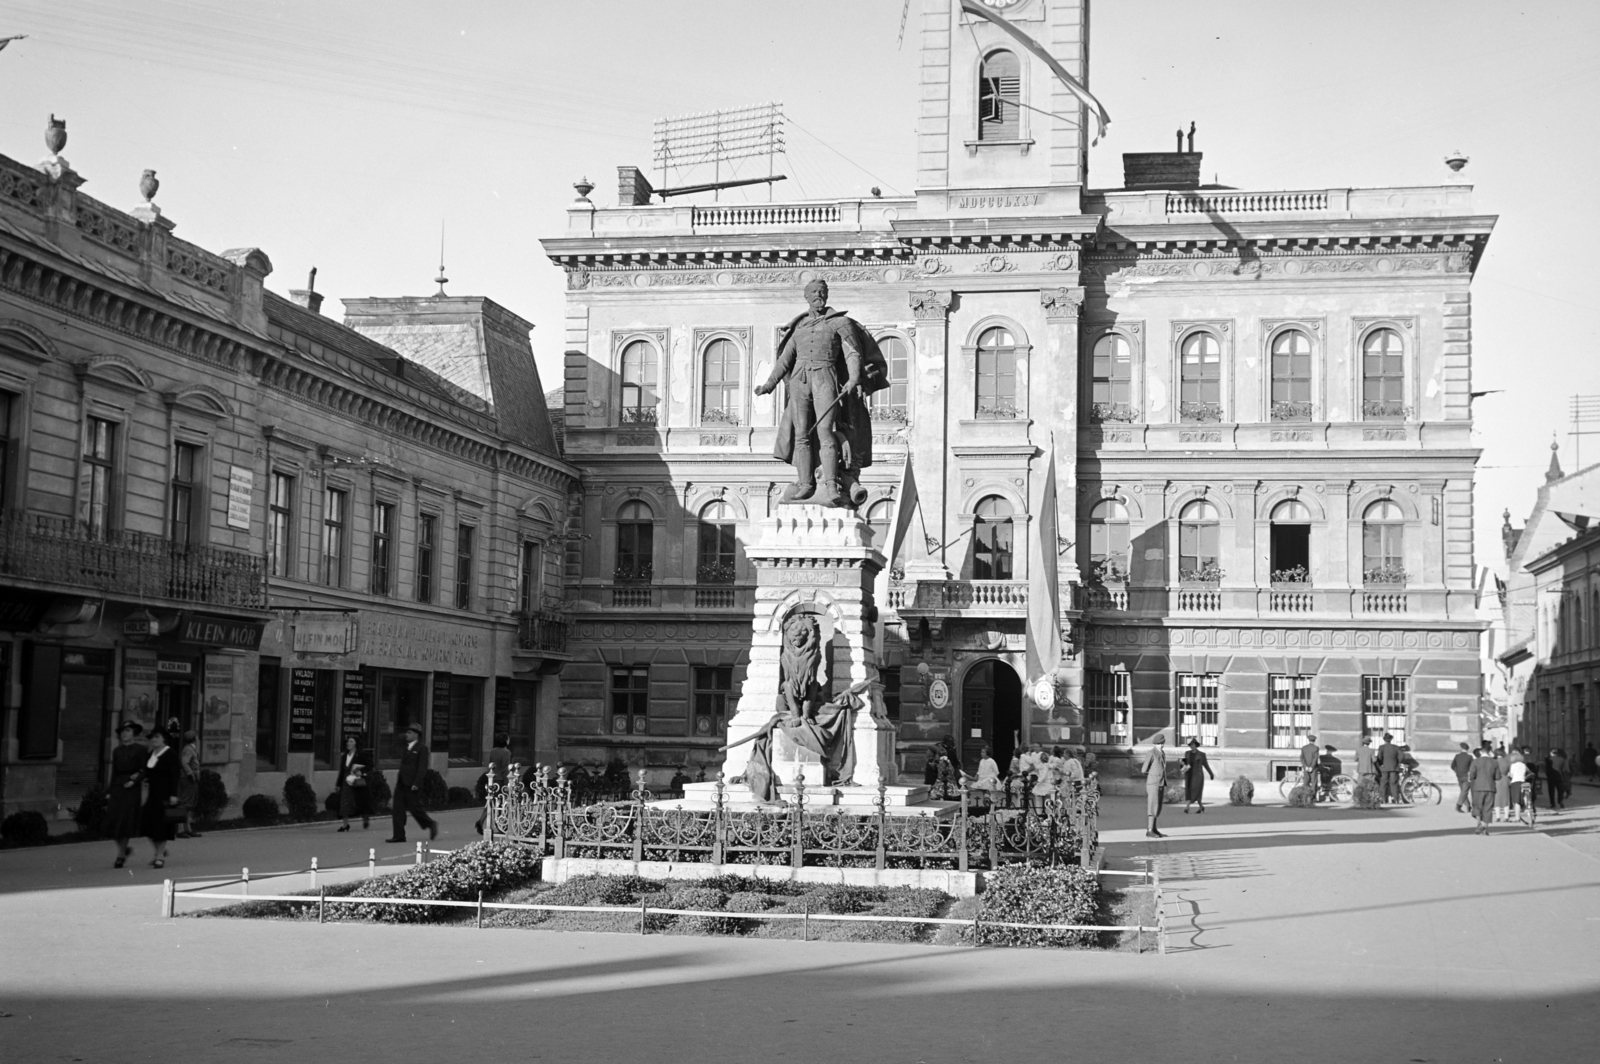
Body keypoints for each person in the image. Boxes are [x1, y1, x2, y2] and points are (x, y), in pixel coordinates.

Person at [104, 720, 146, 868]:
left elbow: (144, 770)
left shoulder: (141, 749)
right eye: (122, 731)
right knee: (112, 821)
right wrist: (109, 791)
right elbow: (114, 772)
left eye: (128, 731)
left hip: (132, 788)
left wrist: (134, 781)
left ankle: (120, 855)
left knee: (125, 821)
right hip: (118, 787)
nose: (124, 733)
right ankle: (124, 848)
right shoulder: (117, 751)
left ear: (133, 733)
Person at [387, 723, 438, 843]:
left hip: (412, 784)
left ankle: (431, 824)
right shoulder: (407, 747)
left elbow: (422, 767)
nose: (406, 735)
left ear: (416, 735)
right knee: (398, 810)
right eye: (406, 732)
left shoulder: (422, 748)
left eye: (409, 733)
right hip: (402, 784)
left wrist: (417, 783)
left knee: (415, 809)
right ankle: (399, 835)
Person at [138, 728, 182, 868]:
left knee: (161, 826)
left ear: (164, 739)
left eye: (157, 737)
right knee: (146, 824)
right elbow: (146, 772)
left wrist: (174, 795)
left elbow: (175, 775)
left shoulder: (170, 754)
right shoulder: (151, 754)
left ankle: (160, 856)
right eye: (152, 738)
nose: (154, 740)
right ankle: (159, 851)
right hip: (152, 794)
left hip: (165, 794)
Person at [474, 733, 513, 834]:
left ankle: (481, 821)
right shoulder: (506, 752)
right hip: (500, 781)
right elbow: (505, 769)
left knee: (490, 802)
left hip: (492, 779)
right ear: (506, 741)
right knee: (500, 803)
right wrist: (508, 783)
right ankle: (500, 825)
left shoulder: (493, 751)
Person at [336, 736, 374, 832]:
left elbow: (370, 765)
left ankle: (365, 817)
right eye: (348, 741)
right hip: (346, 781)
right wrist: (338, 784)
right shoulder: (345, 756)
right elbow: (342, 770)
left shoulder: (361, 754)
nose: (348, 743)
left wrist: (361, 771)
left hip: (357, 780)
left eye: (351, 741)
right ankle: (345, 825)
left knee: (360, 801)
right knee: (344, 802)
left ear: (356, 743)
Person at [1468, 747, 1503, 834]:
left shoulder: (1475, 761)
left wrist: (1472, 777)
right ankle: (1485, 827)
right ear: (1489, 752)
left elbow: (1472, 774)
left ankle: (1479, 824)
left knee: (1477, 806)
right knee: (1488, 807)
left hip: (1478, 787)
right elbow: (1498, 777)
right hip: (1490, 788)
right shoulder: (1495, 762)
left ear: (1481, 752)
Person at [1141, 734, 1168, 838]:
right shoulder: (1151, 753)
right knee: (1152, 806)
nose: (1161, 745)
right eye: (1159, 744)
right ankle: (1150, 830)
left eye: (1162, 743)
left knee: (1157, 806)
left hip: (1161, 783)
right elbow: (1144, 770)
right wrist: (1153, 775)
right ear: (1155, 744)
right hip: (1153, 783)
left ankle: (1154, 828)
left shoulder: (1162, 753)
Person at [1181, 738, 1213, 813]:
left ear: (1196, 746)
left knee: (1194, 791)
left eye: (1193, 745)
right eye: (1190, 745)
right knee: (1189, 791)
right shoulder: (1187, 753)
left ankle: (1187, 807)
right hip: (1189, 775)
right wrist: (1182, 769)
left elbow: (1206, 765)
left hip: (1197, 776)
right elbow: (1183, 764)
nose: (1191, 746)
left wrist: (1211, 774)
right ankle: (1201, 806)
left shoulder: (1202, 755)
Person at [1377, 732, 1402, 804]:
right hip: (1394, 767)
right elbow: (1402, 756)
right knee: (1394, 783)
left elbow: (1379, 757)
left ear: (1384, 740)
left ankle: (1383, 799)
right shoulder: (1396, 747)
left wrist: (1380, 764)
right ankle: (1396, 799)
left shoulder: (1382, 747)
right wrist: (1397, 762)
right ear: (1391, 740)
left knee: (1383, 783)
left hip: (1384, 768)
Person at [1450, 742, 1474, 813]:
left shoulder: (1457, 756)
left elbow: (1452, 766)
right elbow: (1472, 767)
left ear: (1461, 748)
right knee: (1464, 791)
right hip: (1467, 776)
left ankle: (1468, 805)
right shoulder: (1470, 757)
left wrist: (1456, 771)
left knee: (1463, 791)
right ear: (1467, 749)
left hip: (1459, 776)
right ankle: (1458, 805)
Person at [1299, 734, 1321, 804]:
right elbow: (1315, 758)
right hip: (1313, 768)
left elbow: (1302, 758)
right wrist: (1312, 767)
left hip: (1306, 768)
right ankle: (1312, 798)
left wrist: (1306, 766)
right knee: (1314, 783)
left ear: (1308, 740)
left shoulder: (1304, 748)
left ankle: (1305, 797)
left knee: (1306, 782)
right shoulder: (1316, 748)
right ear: (1314, 741)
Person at [1493, 745, 1511, 823]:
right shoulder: (1507, 761)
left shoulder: (1494, 761)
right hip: (1505, 779)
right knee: (1506, 798)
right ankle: (1506, 817)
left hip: (1496, 780)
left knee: (1497, 798)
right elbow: (1510, 772)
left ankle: (1498, 817)